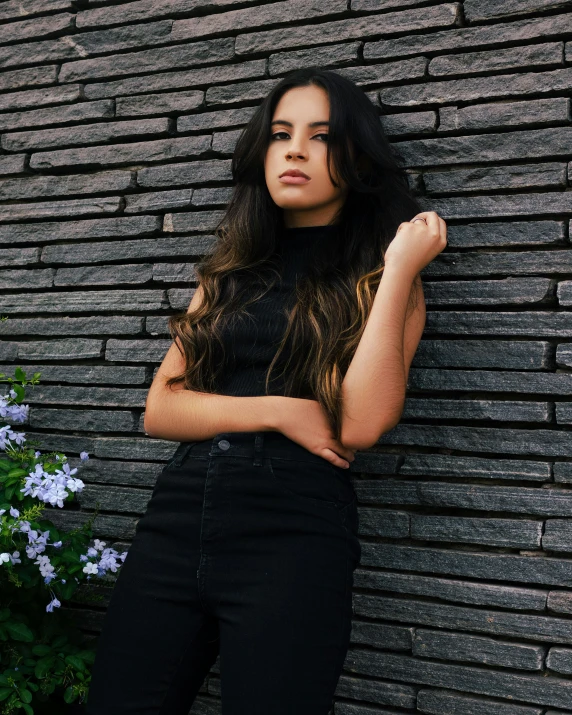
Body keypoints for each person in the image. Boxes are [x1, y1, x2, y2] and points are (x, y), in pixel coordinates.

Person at [85, 67, 447, 715]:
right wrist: (281, 410)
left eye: (320, 135)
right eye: (281, 134)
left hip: (293, 536)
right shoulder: (230, 270)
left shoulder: (381, 280)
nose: (295, 149)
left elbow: (360, 423)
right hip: (175, 523)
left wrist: (396, 270)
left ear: (357, 157)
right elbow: (162, 409)